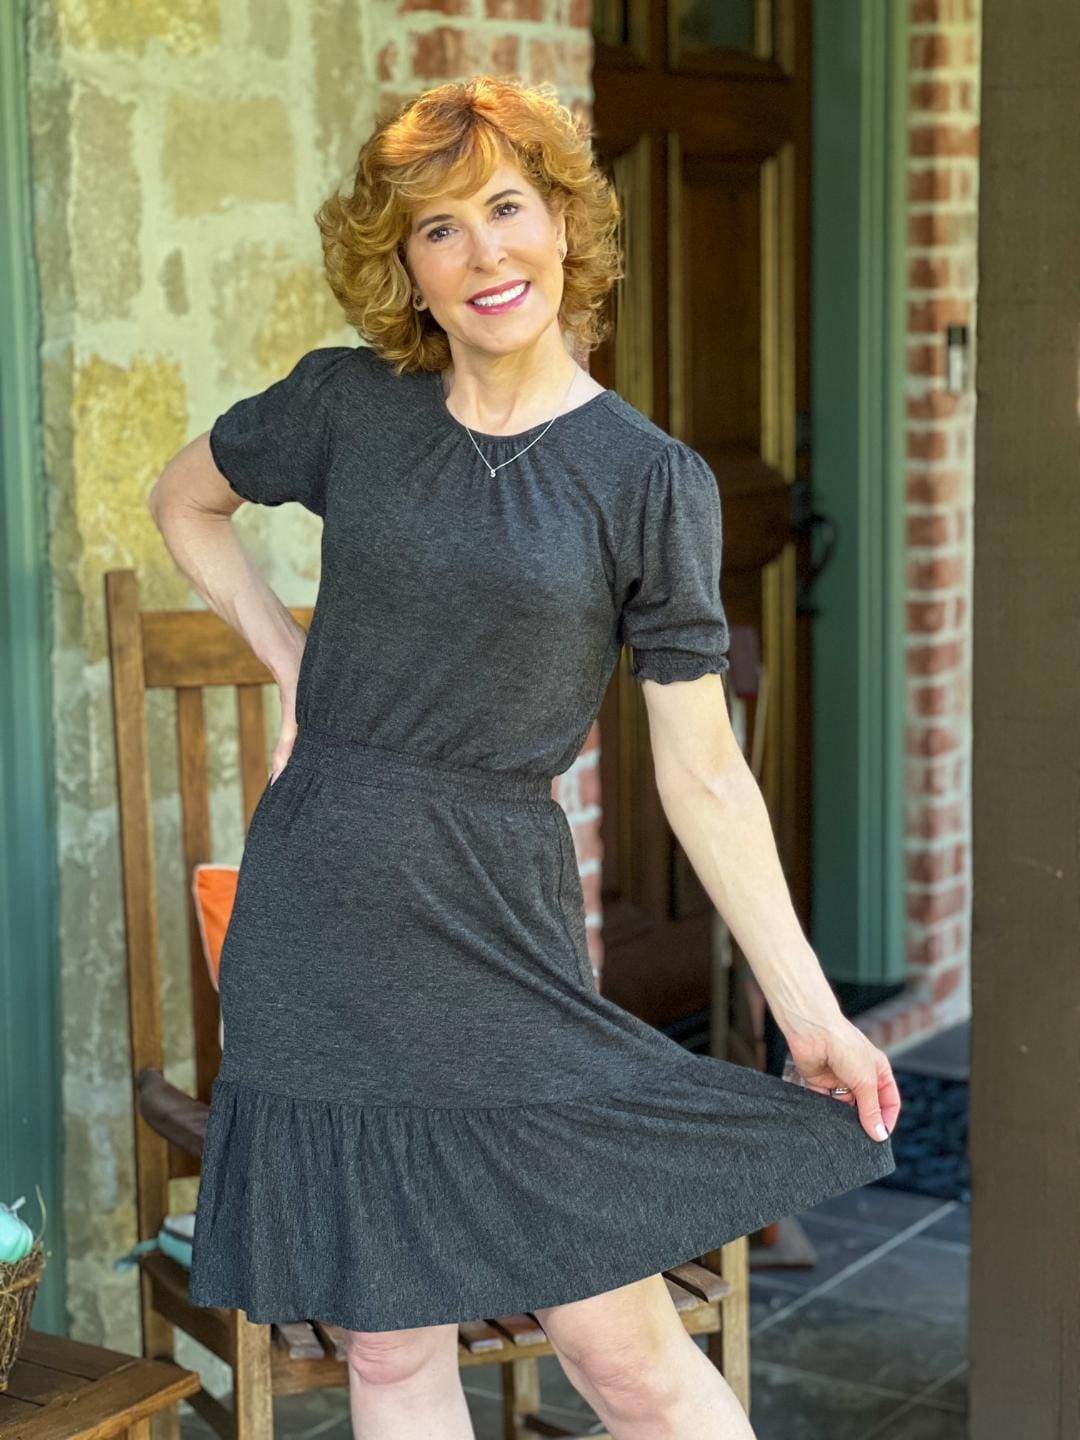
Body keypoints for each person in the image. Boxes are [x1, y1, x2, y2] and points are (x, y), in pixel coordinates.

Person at [151, 74, 900, 1440]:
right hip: (323, 904)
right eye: (440, 229)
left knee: (620, 1351)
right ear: (408, 270)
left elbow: (703, 772)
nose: (484, 252)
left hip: (498, 920)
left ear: (564, 222)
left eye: (506, 207)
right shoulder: (349, 405)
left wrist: (809, 1013)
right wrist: (284, 649)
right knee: (388, 1358)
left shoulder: (647, 478)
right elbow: (183, 496)